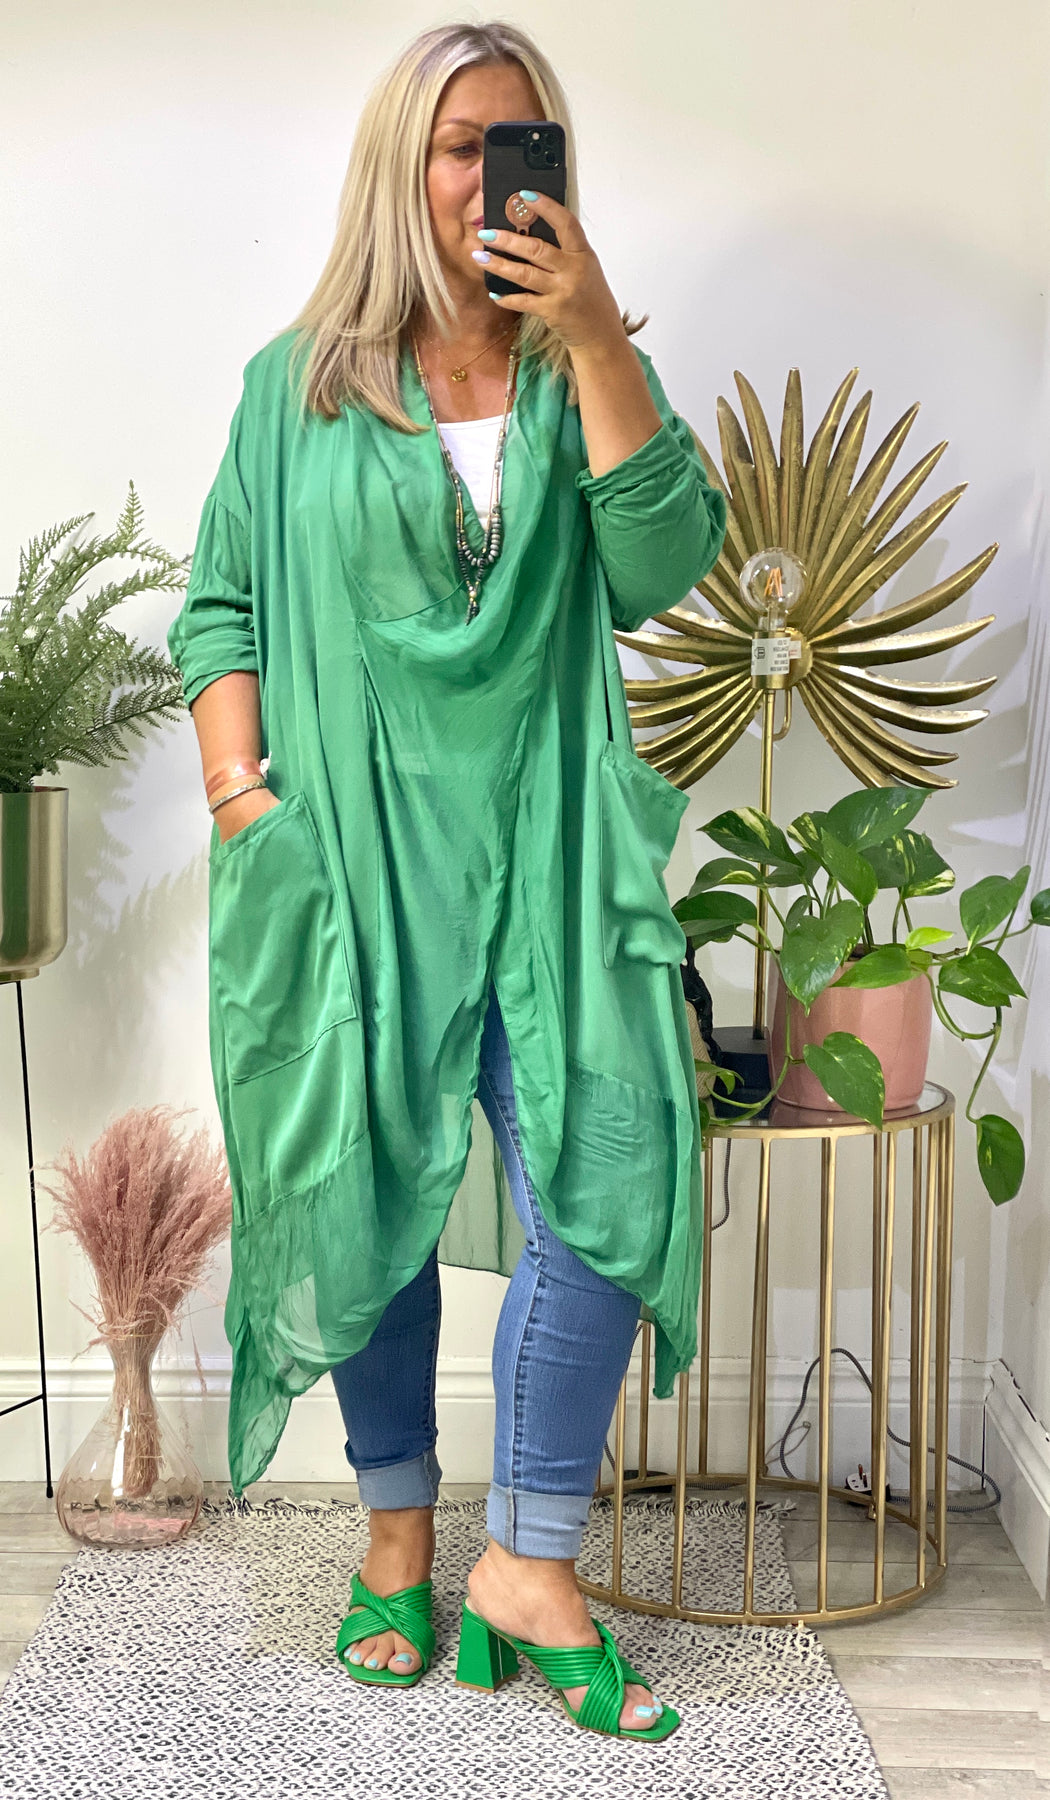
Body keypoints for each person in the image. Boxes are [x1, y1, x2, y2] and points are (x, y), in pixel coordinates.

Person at [166, 19, 726, 1745]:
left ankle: (527, 1558)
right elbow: (219, 607)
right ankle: (397, 1538)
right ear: (398, 166)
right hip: (355, 866)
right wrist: (244, 800)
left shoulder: (581, 371)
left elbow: (660, 564)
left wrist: (597, 334)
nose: (491, 174)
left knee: (610, 1186)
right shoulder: (296, 386)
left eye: (520, 140)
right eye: (460, 142)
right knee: (365, 1200)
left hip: (551, 859)